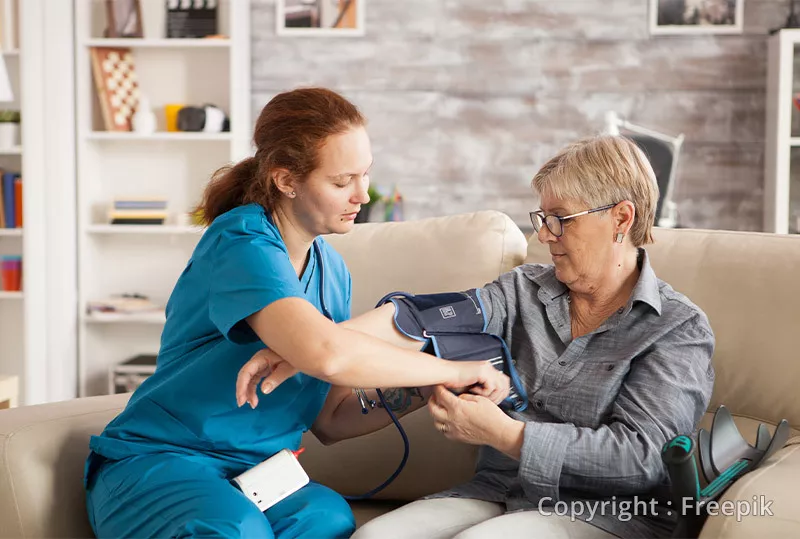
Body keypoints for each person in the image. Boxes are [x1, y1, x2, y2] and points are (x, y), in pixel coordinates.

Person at [83, 87, 510, 539]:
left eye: (366, 174)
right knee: (235, 529)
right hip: (163, 462)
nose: (362, 194)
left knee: (326, 517)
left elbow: (331, 419)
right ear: (286, 180)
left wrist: (429, 387)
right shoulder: (241, 244)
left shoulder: (332, 269)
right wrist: (451, 367)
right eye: (342, 181)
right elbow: (326, 354)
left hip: (254, 476)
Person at [240, 135, 716, 539]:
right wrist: (304, 349)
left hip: (606, 513)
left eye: (561, 219)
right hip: (497, 492)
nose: (545, 235)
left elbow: (643, 460)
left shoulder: (677, 329)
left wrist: (507, 435)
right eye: (542, 218)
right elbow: (416, 319)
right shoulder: (523, 290)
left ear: (621, 219)